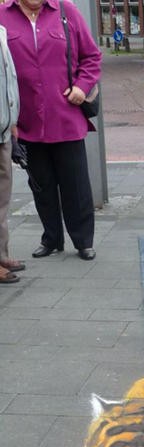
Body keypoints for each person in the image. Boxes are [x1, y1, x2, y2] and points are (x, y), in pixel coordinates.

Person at [0, 0, 101, 261]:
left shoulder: (66, 11)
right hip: (25, 121)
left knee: (75, 185)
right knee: (41, 185)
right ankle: (51, 237)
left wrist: (82, 85)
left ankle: (83, 240)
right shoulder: (2, 15)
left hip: (65, 115)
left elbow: (91, 56)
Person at [0, 22, 23, 284]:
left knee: (2, 199)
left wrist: (12, 120)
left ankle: (1, 254)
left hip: (4, 130)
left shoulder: (1, 30)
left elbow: (8, 80)